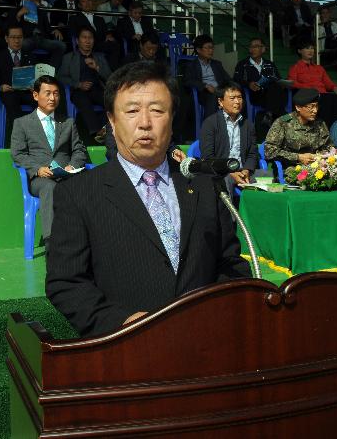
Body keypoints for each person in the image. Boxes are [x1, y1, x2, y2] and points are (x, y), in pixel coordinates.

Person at [46, 62, 251, 336]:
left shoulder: (203, 185)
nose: (145, 123)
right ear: (111, 120)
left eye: (157, 110)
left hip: (206, 339)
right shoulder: (79, 193)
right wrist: (122, 323)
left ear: (172, 116)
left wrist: (214, 313)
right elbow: (66, 282)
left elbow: (230, 263)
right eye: (131, 111)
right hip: (126, 350)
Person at [11, 75, 87, 246]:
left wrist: (72, 166)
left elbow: (79, 150)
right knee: (49, 187)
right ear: (35, 95)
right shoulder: (22, 123)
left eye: (56, 93)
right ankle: (52, 244)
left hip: (67, 175)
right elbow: (18, 153)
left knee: (88, 182)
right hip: (40, 178)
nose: (53, 98)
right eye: (48, 93)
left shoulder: (68, 123)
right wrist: (37, 169)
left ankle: (88, 240)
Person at [199, 81, 259, 194]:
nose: (237, 101)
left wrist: (246, 170)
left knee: (267, 178)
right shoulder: (210, 123)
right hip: (222, 171)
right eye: (232, 98)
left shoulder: (248, 125)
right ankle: (230, 212)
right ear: (220, 102)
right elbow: (208, 157)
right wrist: (230, 173)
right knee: (225, 181)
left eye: (240, 97)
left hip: (243, 171)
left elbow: (252, 153)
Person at [57, 26, 111, 139]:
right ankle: (97, 133)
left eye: (90, 38)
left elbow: (110, 77)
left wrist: (97, 67)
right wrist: (78, 84)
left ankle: (104, 128)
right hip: (78, 90)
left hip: (97, 89)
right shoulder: (69, 57)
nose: (87, 41)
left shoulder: (99, 57)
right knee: (83, 100)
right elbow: (61, 77)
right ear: (77, 40)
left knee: (112, 102)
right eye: (84, 37)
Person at [264, 88, 332, 170]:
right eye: (311, 107)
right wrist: (298, 157)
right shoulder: (283, 123)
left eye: (317, 106)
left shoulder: (320, 123)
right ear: (298, 107)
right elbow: (269, 151)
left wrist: (319, 156)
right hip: (290, 168)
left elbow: (328, 148)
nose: (315, 110)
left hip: (316, 167)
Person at [0, 24, 38, 129]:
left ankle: (44, 136)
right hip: (9, 92)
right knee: (11, 102)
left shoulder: (30, 55)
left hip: (27, 92)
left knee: (42, 100)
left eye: (19, 37)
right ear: (6, 39)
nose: (17, 41)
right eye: (13, 37)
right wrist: (1, 86)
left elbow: (36, 76)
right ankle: (20, 137)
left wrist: (35, 86)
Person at [233, 37, 287, 127]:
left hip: (271, 94)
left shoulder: (269, 64)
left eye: (256, 46)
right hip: (255, 94)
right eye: (251, 47)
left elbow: (278, 78)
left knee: (277, 86)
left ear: (262, 49)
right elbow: (236, 80)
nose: (252, 49)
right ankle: (278, 115)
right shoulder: (243, 64)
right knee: (275, 89)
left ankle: (269, 114)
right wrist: (249, 84)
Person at [287, 40, 337, 126]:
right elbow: (292, 83)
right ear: (299, 51)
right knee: (326, 100)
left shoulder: (319, 68)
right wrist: (310, 88)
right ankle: (323, 129)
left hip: (323, 95)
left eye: (312, 48)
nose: (310, 51)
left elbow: (329, 84)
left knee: (336, 99)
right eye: (307, 48)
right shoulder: (295, 68)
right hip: (308, 96)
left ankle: (334, 130)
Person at [10, 0, 66, 69]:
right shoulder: (15, 11)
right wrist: (18, 16)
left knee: (61, 46)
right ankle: (23, 71)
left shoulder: (40, 11)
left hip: (41, 38)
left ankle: (50, 72)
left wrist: (55, 30)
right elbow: (10, 29)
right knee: (22, 44)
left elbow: (48, 28)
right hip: (26, 38)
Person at [183, 34, 231, 120]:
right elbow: (188, 81)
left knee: (237, 96)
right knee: (212, 97)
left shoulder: (217, 64)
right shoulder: (191, 65)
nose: (211, 50)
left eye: (212, 48)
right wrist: (205, 85)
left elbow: (227, 79)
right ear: (198, 50)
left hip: (220, 91)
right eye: (207, 48)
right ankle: (209, 130)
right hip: (203, 93)